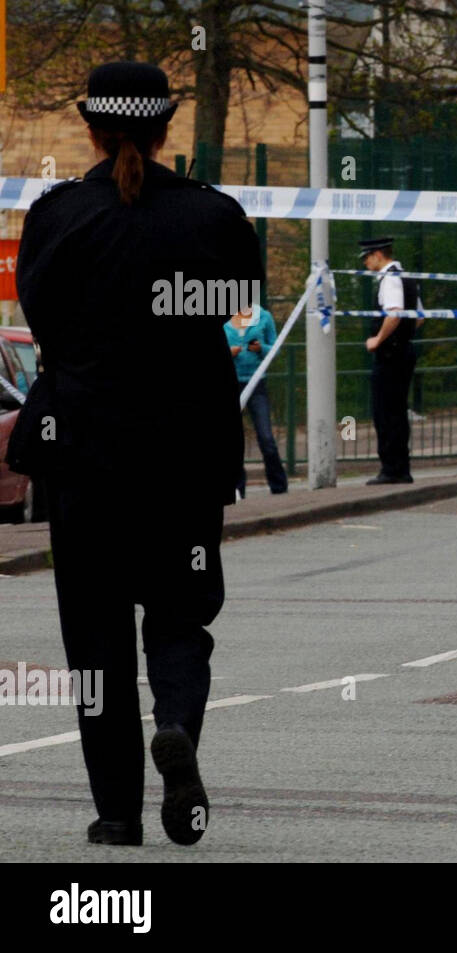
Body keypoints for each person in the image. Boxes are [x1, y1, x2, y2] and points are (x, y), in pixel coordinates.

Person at [10, 62, 262, 846]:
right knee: (181, 616)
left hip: (83, 453)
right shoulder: (213, 216)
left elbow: (42, 320)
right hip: (184, 454)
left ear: (91, 126)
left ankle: (116, 811)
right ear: (164, 130)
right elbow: (238, 308)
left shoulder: (55, 215)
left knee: (96, 635)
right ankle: (177, 720)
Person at [361, 236, 423, 484]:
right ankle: (401, 467)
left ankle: (391, 468)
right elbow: (419, 317)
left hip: (390, 355)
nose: (366, 263)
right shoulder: (406, 276)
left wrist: (378, 339)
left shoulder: (390, 279)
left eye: (367, 257)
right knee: (397, 410)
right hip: (404, 351)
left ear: (378, 255)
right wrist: (404, 335)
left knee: (385, 411)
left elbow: (395, 314)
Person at [225, 304, 288, 496]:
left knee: (266, 437)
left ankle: (279, 487)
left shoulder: (264, 317)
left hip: (256, 383)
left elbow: (275, 348)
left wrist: (261, 348)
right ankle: (237, 488)